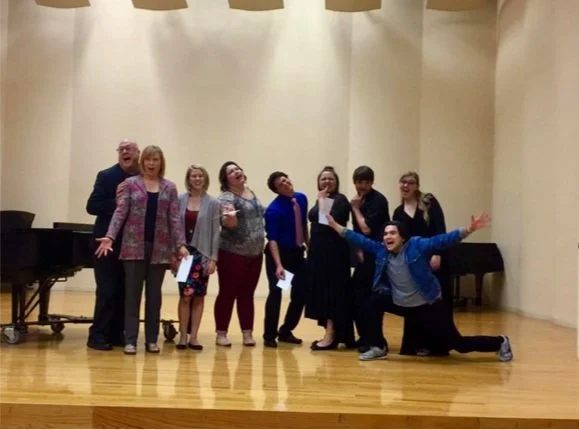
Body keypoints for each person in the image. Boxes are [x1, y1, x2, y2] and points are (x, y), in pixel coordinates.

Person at [326, 212, 513, 362]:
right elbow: (358, 239)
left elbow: (443, 240)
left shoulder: (417, 245)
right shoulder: (381, 250)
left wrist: (469, 229)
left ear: (403, 237)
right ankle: (378, 347)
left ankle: (500, 342)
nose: (388, 237)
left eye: (392, 233)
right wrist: (335, 226)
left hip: (427, 305)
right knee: (373, 302)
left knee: (458, 345)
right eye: (385, 234)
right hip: (401, 303)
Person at [95, 145, 189, 355]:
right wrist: (110, 236)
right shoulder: (131, 184)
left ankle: (151, 339)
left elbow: (174, 218)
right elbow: (120, 212)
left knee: (154, 297)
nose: (151, 163)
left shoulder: (169, 187)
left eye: (155, 159)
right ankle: (130, 339)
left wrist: (180, 244)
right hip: (133, 247)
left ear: (161, 162)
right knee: (132, 296)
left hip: (159, 249)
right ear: (142, 162)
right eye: (147, 159)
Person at [86, 139, 140, 351]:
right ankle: (97, 335)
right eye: (121, 149)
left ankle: (117, 333)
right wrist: (116, 202)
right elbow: (92, 206)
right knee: (106, 290)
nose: (125, 152)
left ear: (138, 153)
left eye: (129, 149)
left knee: (124, 291)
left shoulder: (142, 178)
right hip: (105, 242)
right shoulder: (106, 176)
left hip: (131, 243)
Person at [392, 171, 452, 356]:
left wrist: (437, 253)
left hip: (433, 256)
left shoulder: (429, 202)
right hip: (413, 262)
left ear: (417, 186)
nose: (405, 186)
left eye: (410, 182)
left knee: (435, 302)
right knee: (417, 302)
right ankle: (418, 343)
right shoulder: (398, 212)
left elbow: (440, 228)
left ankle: (438, 344)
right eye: (403, 182)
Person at [215, 161, 265, 347]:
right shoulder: (226, 198)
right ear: (226, 179)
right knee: (227, 293)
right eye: (231, 171)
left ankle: (247, 333)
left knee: (247, 294)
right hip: (232, 253)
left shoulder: (250, 192)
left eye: (237, 168)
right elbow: (230, 223)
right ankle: (221, 333)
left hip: (255, 254)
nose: (236, 171)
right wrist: (230, 219)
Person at [305, 166, 354, 350]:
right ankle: (332, 332)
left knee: (333, 294)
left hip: (333, 255)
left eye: (331, 179)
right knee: (322, 293)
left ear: (336, 182)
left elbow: (326, 219)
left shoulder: (341, 200)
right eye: (323, 179)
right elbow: (313, 218)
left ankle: (331, 335)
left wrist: (321, 200)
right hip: (318, 254)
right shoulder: (320, 199)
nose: (327, 182)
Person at [175, 164, 221, 351]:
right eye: (193, 176)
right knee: (185, 296)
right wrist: (177, 248)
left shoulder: (213, 203)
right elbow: (174, 226)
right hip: (184, 255)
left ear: (205, 178)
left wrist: (213, 259)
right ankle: (182, 336)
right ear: (188, 179)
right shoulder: (180, 200)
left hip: (202, 256)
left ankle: (194, 337)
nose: (197, 179)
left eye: (200, 176)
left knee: (199, 296)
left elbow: (216, 233)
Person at [262, 171, 308, 348]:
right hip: (280, 256)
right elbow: (272, 239)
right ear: (277, 190)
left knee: (301, 292)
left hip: (297, 254)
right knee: (277, 292)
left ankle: (286, 330)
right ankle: (269, 335)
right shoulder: (274, 210)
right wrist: (279, 265)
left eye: (285, 180)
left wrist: (309, 246)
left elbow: (303, 224)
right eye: (280, 184)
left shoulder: (301, 199)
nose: (285, 184)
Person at [349, 166, 390, 349]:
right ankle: (364, 336)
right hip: (363, 254)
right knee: (357, 296)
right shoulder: (358, 200)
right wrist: (357, 248)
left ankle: (374, 339)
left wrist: (355, 209)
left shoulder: (378, 200)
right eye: (359, 182)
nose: (362, 185)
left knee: (372, 299)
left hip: (377, 256)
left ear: (372, 182)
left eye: (366, 182)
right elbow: (357, 230)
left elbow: (366, 229)